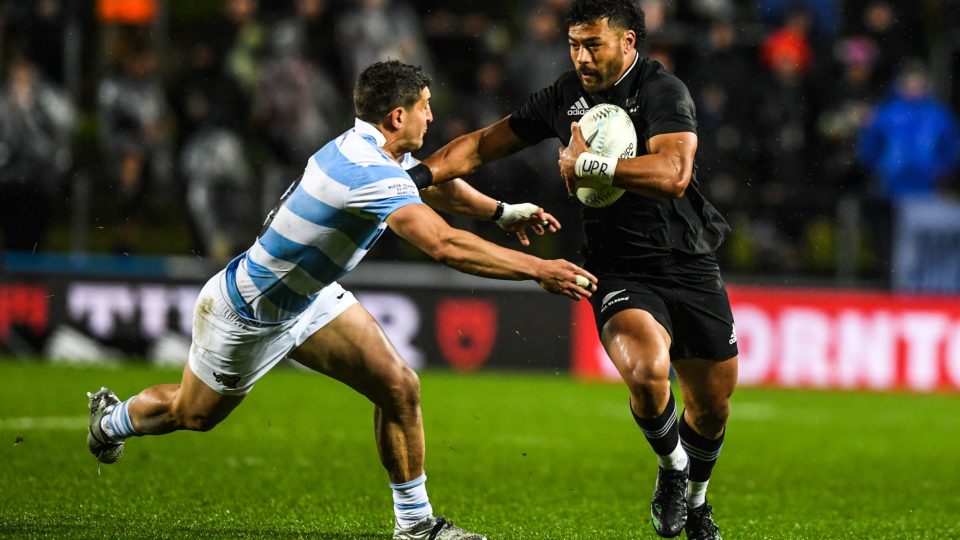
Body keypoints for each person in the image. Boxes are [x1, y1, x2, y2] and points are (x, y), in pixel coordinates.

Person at [86, 60, 597, 540]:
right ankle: (111, 421)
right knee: (192, 414)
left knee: (398, 386)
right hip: (246, 310)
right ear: (398, 115)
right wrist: (539, 269)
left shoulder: (376, 152)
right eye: (424, 105)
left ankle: (416, 525)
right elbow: (443, 244)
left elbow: (432, 185)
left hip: (309, 298)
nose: (431, 115)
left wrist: (502, 212)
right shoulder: (365, 171)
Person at [418, 1, 735, 538]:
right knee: (646, 370)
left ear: (629, 42)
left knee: (711, 407)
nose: (581, 57)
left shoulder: (663, 91)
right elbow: (478, 146)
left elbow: (676, 172)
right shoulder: (565, 97)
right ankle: (673, 468)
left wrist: (589, 164)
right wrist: (415, 174)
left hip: (689, 260)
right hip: (618, 266)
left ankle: (698, 502)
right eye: (574, 45)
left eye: (594, 44)